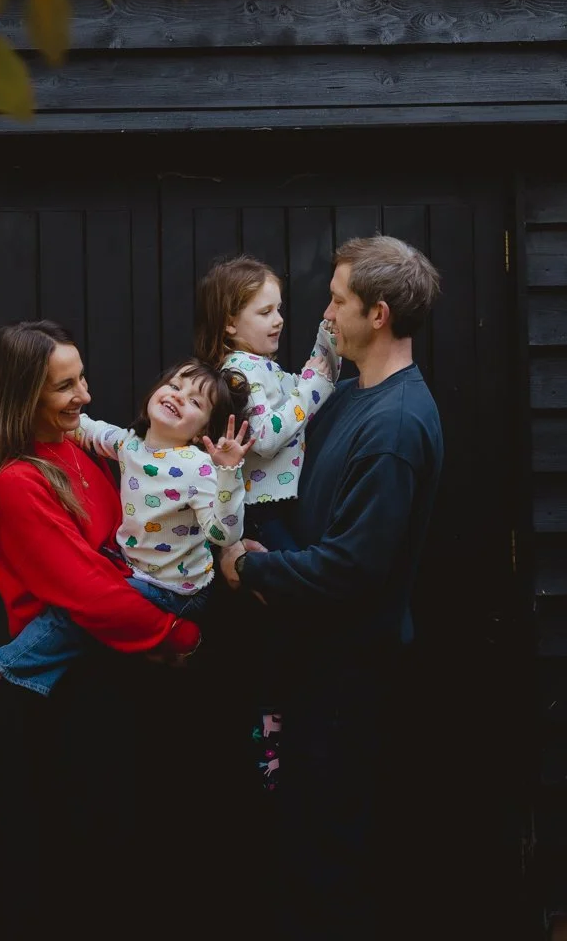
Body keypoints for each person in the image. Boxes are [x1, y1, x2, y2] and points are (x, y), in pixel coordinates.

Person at [217, 235, 444, 941]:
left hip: (345, 676)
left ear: (376, 314)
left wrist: (247, 568)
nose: (325, 313)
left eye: (338, 300)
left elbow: (350, 569)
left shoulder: (396, 425)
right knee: (299, 839)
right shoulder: (349, 400)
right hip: (309, 664)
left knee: (327, 848)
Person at [0, 323, 229, 702]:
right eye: (65, 386)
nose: (85, 394)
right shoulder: (17, 481)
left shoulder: (73, 446)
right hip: (73, 677)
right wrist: (177, 634)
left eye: (81, 378)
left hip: (124, 656)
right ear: (25, 396)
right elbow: (88, 592)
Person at [193, 253, 340, 786]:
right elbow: (269, 432)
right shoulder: (235, 374)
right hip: (258, 516)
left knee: (287, 629)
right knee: (280, 626)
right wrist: (316, 385)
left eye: (280, 309)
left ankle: (280, 733)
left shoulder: (263, 368)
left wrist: (322, 355)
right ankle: (269, 745)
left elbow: (298, 390)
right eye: (264, 311)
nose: (278, 320)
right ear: (230, 321)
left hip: (281, 511)